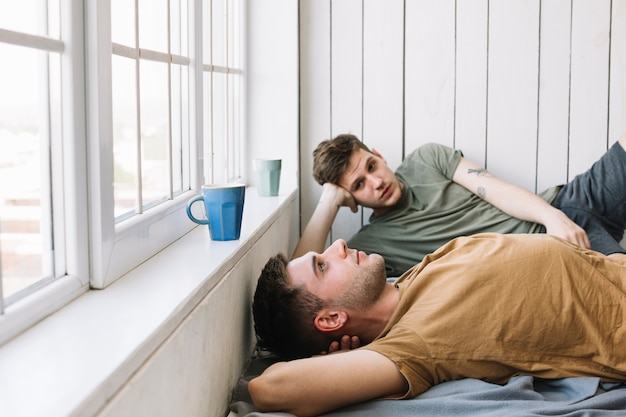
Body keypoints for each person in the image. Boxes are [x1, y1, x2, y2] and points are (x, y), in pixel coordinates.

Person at [250, 233, 626, 417]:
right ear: (331, 319)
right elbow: (267, 388)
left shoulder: (411, 278)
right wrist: (340, 362)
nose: (340, 245)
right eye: (322, 265)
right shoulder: (410, 345)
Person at [293, 134, 626, 277]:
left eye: (370, 166)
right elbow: (297, 276)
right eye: (359, 186)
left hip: (563, 204)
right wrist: (329, 200)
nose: (376, 182)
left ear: (378, 155)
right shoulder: (371, 246)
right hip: (549, 250)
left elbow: (495, 190)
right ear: (351, 200)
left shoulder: (427, 158)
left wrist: (554, 216)